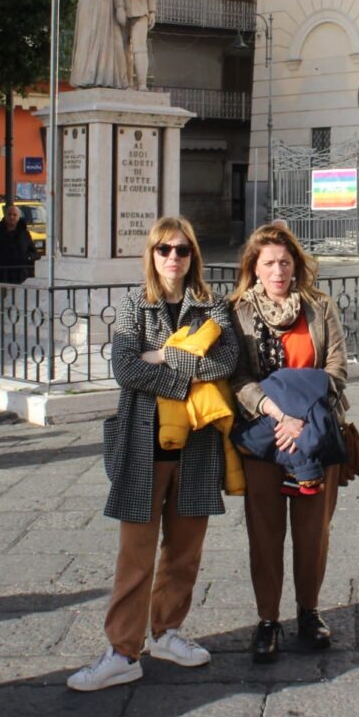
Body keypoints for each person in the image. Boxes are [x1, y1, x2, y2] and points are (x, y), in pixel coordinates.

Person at [67, 216, 238, 692]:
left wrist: (161, 357)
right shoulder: (132, 307)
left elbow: (226, 361)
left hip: (198, 446)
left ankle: (167, 632)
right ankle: (123, 650)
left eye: (183, 250)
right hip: (143, 446)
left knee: (185, 552)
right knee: (135, 556)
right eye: (164, 249)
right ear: (152, 254)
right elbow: (125, 368)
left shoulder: (212, 305)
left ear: (193, 256)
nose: (173, 258)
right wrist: (187, 373)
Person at [229, 223, 350, 663]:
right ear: (254, 269)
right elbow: (239, 377)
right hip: (265, 436)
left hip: (314, 434)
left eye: (285, 262)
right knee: (264, 532)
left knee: (312, 530)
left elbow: (336, 369)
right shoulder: (238, 312)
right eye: (268, 263)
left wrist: (300, 415)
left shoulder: (320, 307)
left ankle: (308, 612)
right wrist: (278, 412)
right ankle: (267, 620)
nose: (278, 271)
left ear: (297, 265)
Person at [0, 205, 35, 285]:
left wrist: (29, 257)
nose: (12, 217)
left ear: (19, 217)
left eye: (14, 215)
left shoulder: (24, 234)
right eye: (9, 214)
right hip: (1, 275)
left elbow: (33, 252)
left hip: (21, 276)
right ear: (5, 215)